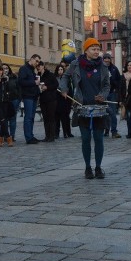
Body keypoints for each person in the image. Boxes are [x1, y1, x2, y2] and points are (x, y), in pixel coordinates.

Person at [60, 38, 110, 178]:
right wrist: (64, 89)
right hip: (82, 106)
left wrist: (102, 95)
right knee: (86, 138)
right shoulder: (75, 64)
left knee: (99, 138)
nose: (96, 52)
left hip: (99, 107)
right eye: (93, 49)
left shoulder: (103, 66)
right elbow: (65, 77)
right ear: (86, 50)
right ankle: (88, 167)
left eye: (98, 49)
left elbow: (107, 85)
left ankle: (98, 167)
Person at [18, 54, 41, 144]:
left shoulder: (32, 70)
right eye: (36, 61)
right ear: (31, 59)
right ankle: (28, 137)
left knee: (31, 117)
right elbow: (21, 81)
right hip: (27, 96)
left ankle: (31, 135)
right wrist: (34, 82)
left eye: (38, 61)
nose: (37, 63)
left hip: (34, 96)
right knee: (28, 117)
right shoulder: (24, 68)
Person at [0, 65, 15, 146]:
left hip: (5, 102)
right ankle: (8, 138)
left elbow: (9, 89)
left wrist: (7, 94)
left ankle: (0, 139)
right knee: (2, 120)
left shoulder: (5, 79)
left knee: (3, 120)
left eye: (0, 70)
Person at [37, 61, 58, 142]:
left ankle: (52, 136)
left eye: (39, 66)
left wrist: (47, 87)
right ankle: (47, 136)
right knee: (45, 118)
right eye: (37, 66)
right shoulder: (38, 76)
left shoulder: (50, 74)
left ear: (43, 66)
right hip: (43, 99)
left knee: (51, 118)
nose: (38, 67)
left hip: (51, 99)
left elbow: (56, 85)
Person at [102, 53, 121, 138]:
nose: (107, 60)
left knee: (113, 113)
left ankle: (114, 131)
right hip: (102, 94)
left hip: (112, 93)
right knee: (103, 113)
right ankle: (105, 130)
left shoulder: (114, 69)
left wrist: (114, 84)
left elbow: (119, 81)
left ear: (110, 59)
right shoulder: (100, 68)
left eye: (108, 58)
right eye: (105, 58)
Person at [54, 63, 73, 138]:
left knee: (66, 117)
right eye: (59, 69)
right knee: (57, 117)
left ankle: (67, 132)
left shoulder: (67, 78)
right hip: (57, 100)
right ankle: (56, 133)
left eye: (61, 69)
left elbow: (70, 88)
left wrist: (66, 93)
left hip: (65, 100)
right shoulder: (55, 78)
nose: (60, 71)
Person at [119, 60, 131, 138]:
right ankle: (130, 133)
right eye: (128, 65)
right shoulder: (123, 76)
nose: (130, 66)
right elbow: (120, 88)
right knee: (128, 117)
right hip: (126, 98)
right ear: (126, 66)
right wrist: (120, 100)